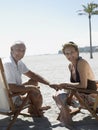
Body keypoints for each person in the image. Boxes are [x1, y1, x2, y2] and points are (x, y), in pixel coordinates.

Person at [50, 41, 97, 128]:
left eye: (72, 52)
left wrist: (65, 84)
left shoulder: (81, 63)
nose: (70, 55)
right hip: (81, 95)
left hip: (92, 99)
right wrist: (64, 85)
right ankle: (66, 113)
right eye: (67, 53)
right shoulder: (70, 66)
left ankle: (66, 118)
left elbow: (83, 85)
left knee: (60, 96)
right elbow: (75, 84)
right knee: (57, 94)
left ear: (77, 51)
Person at [2, 41, 51, 117]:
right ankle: (36, 110)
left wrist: (49, 83)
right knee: (36, 92)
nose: (21, 53)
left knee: (33, 81)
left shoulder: (17, 61)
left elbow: (32, 75)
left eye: (23, 50)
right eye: (18, 50)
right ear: (11, 49)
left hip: (10, 94)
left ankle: (34, 108)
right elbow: (12, 88)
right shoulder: (8, 64)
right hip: (9, 102)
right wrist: (32, 88)